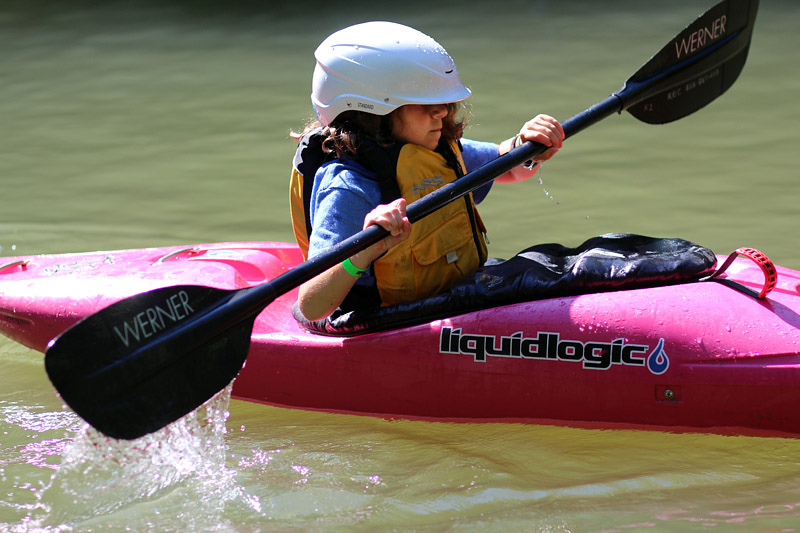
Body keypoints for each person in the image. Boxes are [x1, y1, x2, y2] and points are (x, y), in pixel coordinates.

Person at [290, 21, 564, 322]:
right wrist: (364, 251)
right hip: (386, 323)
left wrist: (526, 148)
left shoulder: (436, 149)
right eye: (424, 104)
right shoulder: (348, 186)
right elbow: (313, 305)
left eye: (443, 101)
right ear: (370, 113)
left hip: (449, 299)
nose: (443, 112)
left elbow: (509, 170)